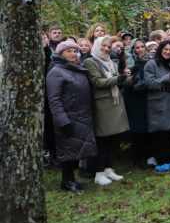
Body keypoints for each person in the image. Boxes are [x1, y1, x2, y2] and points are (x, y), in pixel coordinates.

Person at [46, 39, 97, 192]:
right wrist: (62, 120)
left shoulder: (76, 68)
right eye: (69, 51)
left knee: (76, 150)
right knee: (67, 150)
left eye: (75, 51)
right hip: (67, 117)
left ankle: (72, 178)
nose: (73, 54)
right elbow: (54, 100)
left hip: (81, 115)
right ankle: (67, 181)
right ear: (61, 53)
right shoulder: (55, 71)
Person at [82, 36, 130, 186]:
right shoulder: (90, 62)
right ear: (97, 46)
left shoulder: (110, 62)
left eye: (109, 46)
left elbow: (118, 79)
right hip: (102, 105)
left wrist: (133, 78)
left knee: (113, 139)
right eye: (103, 46)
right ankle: (99, 172)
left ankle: (109, 168)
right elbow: (97, 82)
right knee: (102, 140)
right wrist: (118, 79)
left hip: (115, 103)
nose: (106, 49)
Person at [140, 40, 170, 172]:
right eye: (165, 49)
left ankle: (169, 158)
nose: (168, 52)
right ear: (160, 50)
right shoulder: (151, 64)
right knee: (159, 133)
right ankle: (160, 160)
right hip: (157, 102)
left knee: (168, 131)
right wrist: (168, 77)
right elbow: (150, 84)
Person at [124, 38, 151, 168]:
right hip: (134, 98)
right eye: (137, 48)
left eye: (142, 47)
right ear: (133, 50)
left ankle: (147, 155)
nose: (140, 50)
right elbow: (127, 82)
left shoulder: (150, 61)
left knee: (146, 128)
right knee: (137, 129)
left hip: (147, 97)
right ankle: (137, 157)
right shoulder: (129, 63)